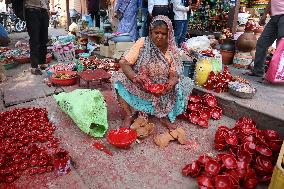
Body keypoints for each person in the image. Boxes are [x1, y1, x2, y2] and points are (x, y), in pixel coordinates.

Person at [111, 15, 194, 129]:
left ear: (168, 34)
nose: (159, 36)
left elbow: (174, 74)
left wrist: (170, 84)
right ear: (151, 32)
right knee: (117, 78)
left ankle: (163, 115)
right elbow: (124, 63)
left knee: (185, 84)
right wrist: (135, 77)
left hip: (162, 88)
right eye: (156, 32)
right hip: (141, 83)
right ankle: (128, 115)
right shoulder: (142, 43)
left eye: (163, 34)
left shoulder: (171, 50)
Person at [247, 0, 284, 77]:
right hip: (274, 18)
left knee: (281, 45)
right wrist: (264, 15)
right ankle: (258, 71)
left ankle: (278, 75)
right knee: (262, 43)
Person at [25, 0, 49, 75]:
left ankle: (42, 62)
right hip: (32, 10)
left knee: (44, 39)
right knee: (34, 39)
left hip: (44, 11)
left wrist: (48, 8)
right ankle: (34, 66)